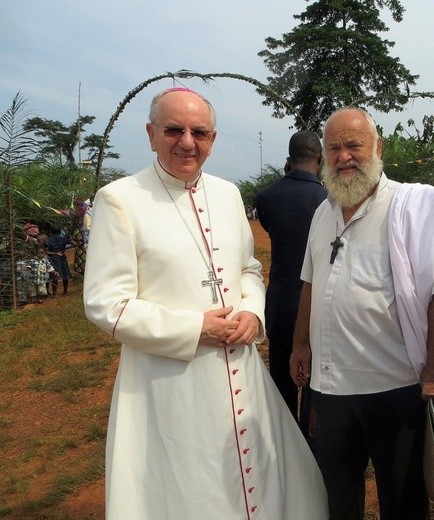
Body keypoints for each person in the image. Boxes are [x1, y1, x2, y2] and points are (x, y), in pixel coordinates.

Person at [83, 87, 327, 520]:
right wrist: (194, 327)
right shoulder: (120, 199)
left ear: (213, 138)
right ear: (151, 133)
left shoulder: (228, 194)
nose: (187, 142)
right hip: (171, 383)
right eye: (174, 129)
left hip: (243, 373)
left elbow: (248, 267)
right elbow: (106, 303)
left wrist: (252, 311)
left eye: (200, 132)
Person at [290, 106, 434, 520]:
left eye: (354, 144)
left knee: (402, 499)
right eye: (334, 147)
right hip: (330, 388)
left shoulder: (410, 208)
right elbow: (310, 283)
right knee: (337, 493)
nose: (343, 156)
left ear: (378, 147)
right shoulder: (322, 212)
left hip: (393, 385)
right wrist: (300, 344)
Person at [255, 130, 327, 439]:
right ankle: (311, 443)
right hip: (316, 303)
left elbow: (270, 227)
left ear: (288, 159)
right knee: (314, 377)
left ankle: (285, 446)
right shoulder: (328, 199)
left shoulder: (266, 197)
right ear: (320, 160)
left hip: (281, 300)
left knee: (282, 377)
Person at [45, 224, 73, 296]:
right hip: (62, 258)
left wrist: (55, 253)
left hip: (53, 259)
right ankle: (65, 291)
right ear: (60, 231)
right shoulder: (63, 239)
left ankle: (54, 293)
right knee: (65, 274)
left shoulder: (48, 240)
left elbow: (45, 251)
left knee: (54, 276)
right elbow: (74, 244)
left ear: (51, 232)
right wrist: (64, 249)